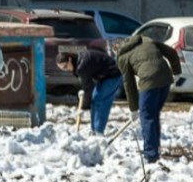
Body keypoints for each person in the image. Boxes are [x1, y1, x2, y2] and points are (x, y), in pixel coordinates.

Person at [114, 34, 181, 164]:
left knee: (147, 116)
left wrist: (133, 109)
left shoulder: (122, 57)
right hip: (165, 79)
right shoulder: (147, 41)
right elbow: (172, 52)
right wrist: (176, 71)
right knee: (153, 115)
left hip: (149, 80)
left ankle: (150, 155)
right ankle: (154, 150)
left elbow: (129, 84)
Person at [56, 48, 121, 135]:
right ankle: (94, 130)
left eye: (65, 67)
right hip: (103, 76)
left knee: (100, 100)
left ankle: (98, 131)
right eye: (63, 69)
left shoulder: (82, 65)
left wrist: (83, 107)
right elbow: (87, 86)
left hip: (113, 74)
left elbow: (88, 88)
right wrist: (85, 104)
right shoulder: (78, 63)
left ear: (70, 59)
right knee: (94, 100)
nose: (65, 70)